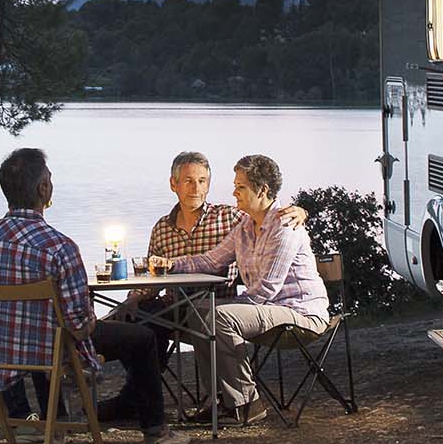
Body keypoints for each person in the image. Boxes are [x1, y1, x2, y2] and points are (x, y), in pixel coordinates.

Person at [0, 147, 187, 444]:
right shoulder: (58, 247)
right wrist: (98, 322)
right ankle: (155, 430)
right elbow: (79, 323)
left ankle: (56, 429)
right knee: (143, 337)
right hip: (49, 350)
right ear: (43, 189)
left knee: (46, 333)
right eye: (50, 179)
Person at [95, 151, 305, 423]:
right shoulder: (162, 228)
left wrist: (300, 210)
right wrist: (132, 298)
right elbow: (153, 277)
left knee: (169, 319)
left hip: (223, 308)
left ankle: (136, 399)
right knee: (136, 317)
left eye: (203, 181)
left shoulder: (231, 218)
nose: (196, 188)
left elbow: (267, 213)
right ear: (174, 184)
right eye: (189, 181)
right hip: (174, 308)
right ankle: (136, 394)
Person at [154, 153, 329, 425]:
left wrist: (226, 310)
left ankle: (248, 403)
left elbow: (265, 290)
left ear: (262, 190)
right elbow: (212, 260)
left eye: (241, 187)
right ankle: (221, 401)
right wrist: (169, 264)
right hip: (269, 311)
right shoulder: (245, 227)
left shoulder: (284, 226)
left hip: (299, 314)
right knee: (199, 311)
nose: (234, 191)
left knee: (218, 315)